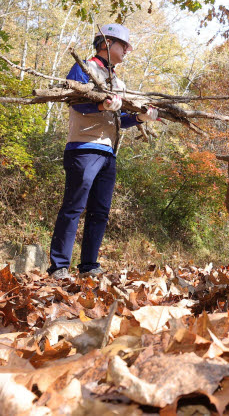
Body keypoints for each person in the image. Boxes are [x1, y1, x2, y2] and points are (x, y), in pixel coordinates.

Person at [47, 23, 159, 279]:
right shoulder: (84, 68)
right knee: (74, 206)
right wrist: (101, 106)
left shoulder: (118, 80)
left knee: (100, 210)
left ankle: (88, 266)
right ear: (107, 43)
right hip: (83, 148)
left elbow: (119, 118)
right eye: (124, 45)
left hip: (109, 153)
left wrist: (141, 118)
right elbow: (76, 103)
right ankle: (59, 266)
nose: (127, 50)